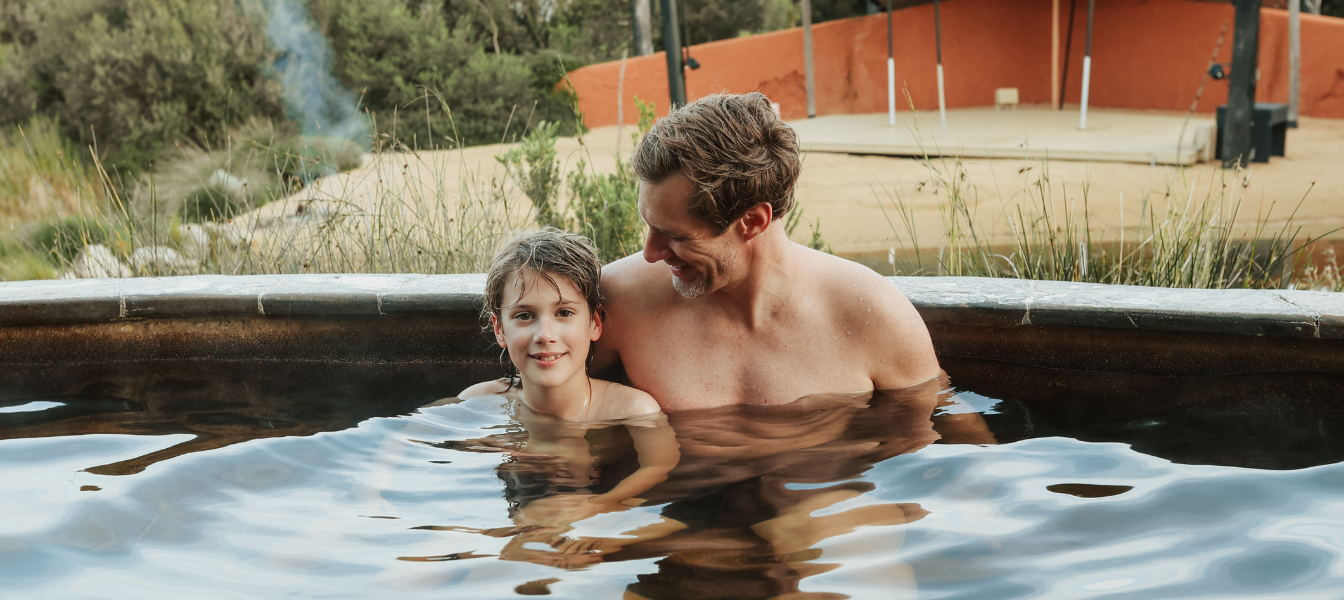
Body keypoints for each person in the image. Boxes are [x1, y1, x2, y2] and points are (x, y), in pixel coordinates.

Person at [595, 92, 941, 410]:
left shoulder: (875, 315)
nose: (650, 253)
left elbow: (937, 439)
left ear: (752, 221)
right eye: (648, 224)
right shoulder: (617, 303)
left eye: (675, 236)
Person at [454, 228, 683, 562]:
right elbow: (410, 443)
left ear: (595, 322)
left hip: (595, 517)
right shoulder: (480, 401)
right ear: (499, 329)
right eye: (524, 315)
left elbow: (660, 465)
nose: (545, 335)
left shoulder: (631, 408)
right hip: (518, 517)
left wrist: (600, 506)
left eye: (564, 312)